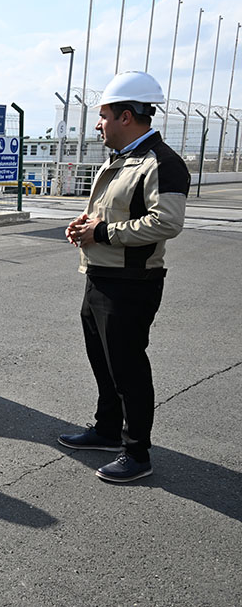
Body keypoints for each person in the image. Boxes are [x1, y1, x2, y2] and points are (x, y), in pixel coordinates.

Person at [59, 70, 190, 483]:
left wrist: (102, 233)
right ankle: (107, 429)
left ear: (127, 116)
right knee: (104, 361)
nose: (98, 124)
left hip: (131, 283)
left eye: (103, 115)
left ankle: (137, 453)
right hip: (100, 275)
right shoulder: (122, 160)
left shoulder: (162, 163)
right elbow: (109, 212)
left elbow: (166, 222)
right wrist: (85, 225)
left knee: (129, 367)